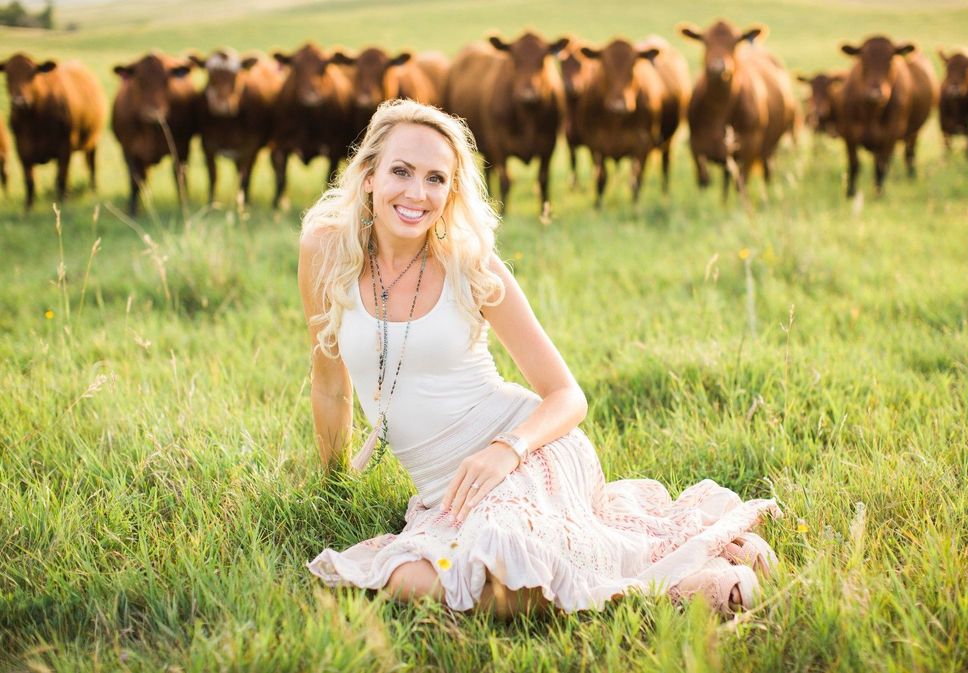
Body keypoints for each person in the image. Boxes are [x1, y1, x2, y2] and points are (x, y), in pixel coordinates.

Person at [299, 98, 782, 620]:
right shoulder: (326, 249)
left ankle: (680, 585)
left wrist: (508, 448)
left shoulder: (471, 267)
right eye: (401, 171)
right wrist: (335, 486)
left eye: (436, 178)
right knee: (406, 578)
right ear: (368, 175)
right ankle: (685, 562)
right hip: (447, 491)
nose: (417, 193)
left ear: (452, 190)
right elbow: (330, 383)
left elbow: (568, 395)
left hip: (532, 451)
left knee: (507, 576)